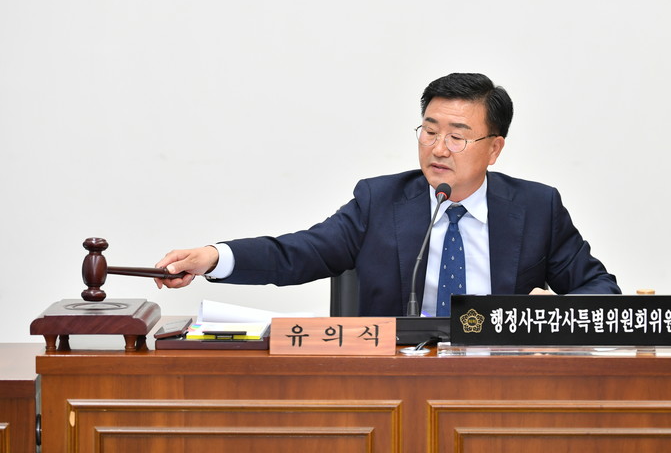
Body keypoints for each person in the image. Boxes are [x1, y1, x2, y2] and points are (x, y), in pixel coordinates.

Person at [155, 73, 620, 316]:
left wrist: (554, 314)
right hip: (396, 378)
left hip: (500, 381)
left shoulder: (537, 208)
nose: (438, 148)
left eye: (457, 136)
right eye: (429, 131)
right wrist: (214, 257)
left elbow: (600, 290)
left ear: (494, 148)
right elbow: (300, 252)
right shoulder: (380, 201)